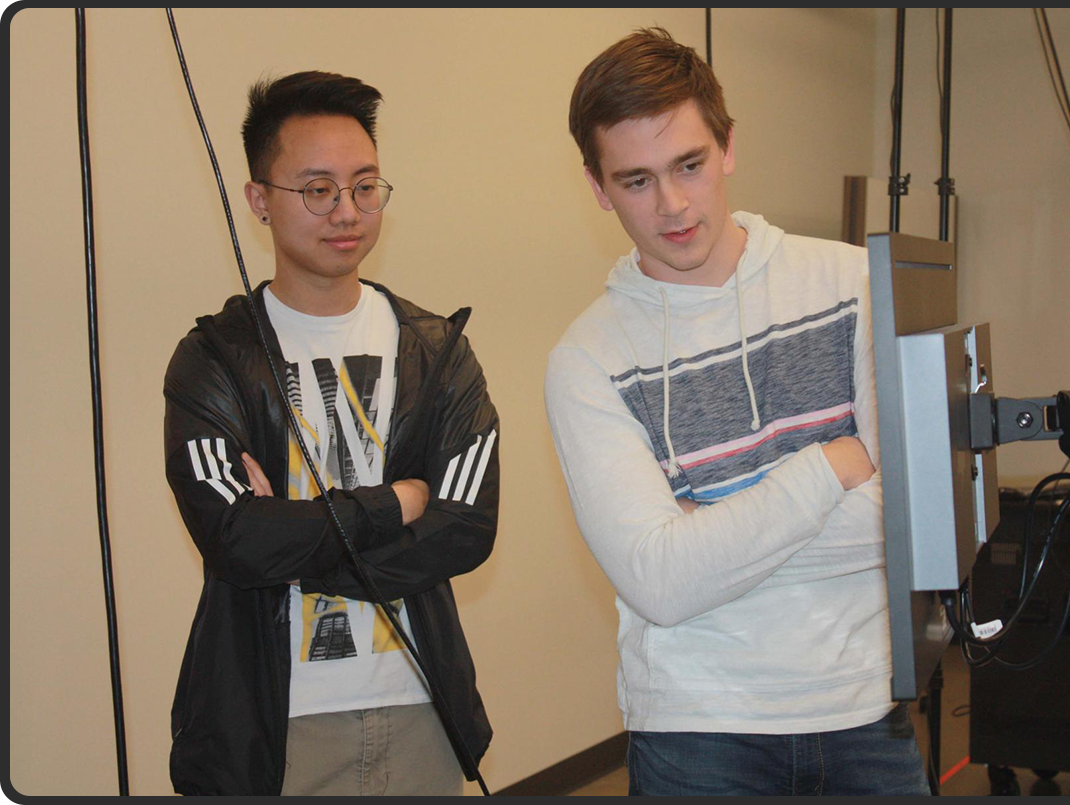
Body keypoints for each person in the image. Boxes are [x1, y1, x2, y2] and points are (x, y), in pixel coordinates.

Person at [544, 29, 930, 796]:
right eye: (636, 180)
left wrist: (706, 529)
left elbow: (907, 523)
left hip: (863, 706)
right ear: (597, 187)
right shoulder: (586, 358)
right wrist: (831, 466)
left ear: (727, 146)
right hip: (694, 730)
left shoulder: (854, 285)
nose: (671, 205)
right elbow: (660, 582)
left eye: (688, 164)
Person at [163, 71, 498, 796]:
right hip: (273, 725)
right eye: (317, 189)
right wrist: (397, 502)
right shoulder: (215, 358)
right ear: (259, 199)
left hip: (419, 707)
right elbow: (234, 539)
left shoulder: (436, 350)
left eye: (364, 186)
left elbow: (467, 527)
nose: (347, 212)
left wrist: (290, 541)